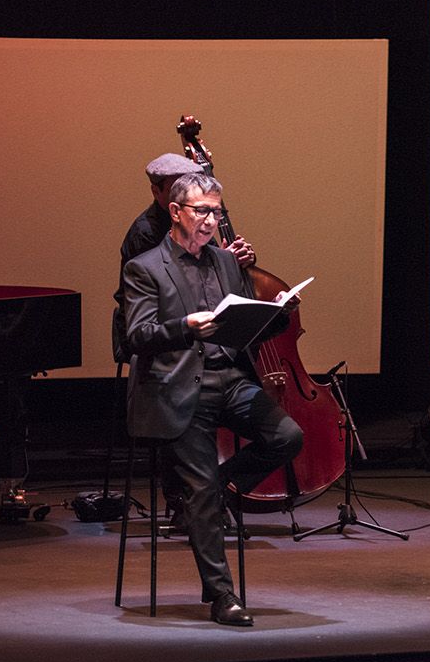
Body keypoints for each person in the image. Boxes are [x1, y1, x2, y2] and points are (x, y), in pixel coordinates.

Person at [120, 172, 304, 626]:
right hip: (179, 388)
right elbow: (137, 336)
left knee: (287, 437)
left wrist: (278, 312)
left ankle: (218, 487)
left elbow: (246, 325)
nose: (211, 220)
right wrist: (185, 326)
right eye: (202, 211)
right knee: (199, 492)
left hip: (231, 381)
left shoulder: (225, 263)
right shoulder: (144, 267)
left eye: (215, 212)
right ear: (177, 212)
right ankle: (222, 595)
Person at [112, 153, 254, 365]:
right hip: (162, 328)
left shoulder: (197, 220)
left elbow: (206, 267)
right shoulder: (145, 232)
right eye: (174, 190)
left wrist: (230, 260)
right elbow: (169, 290)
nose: (183, 194)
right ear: (156, 191)